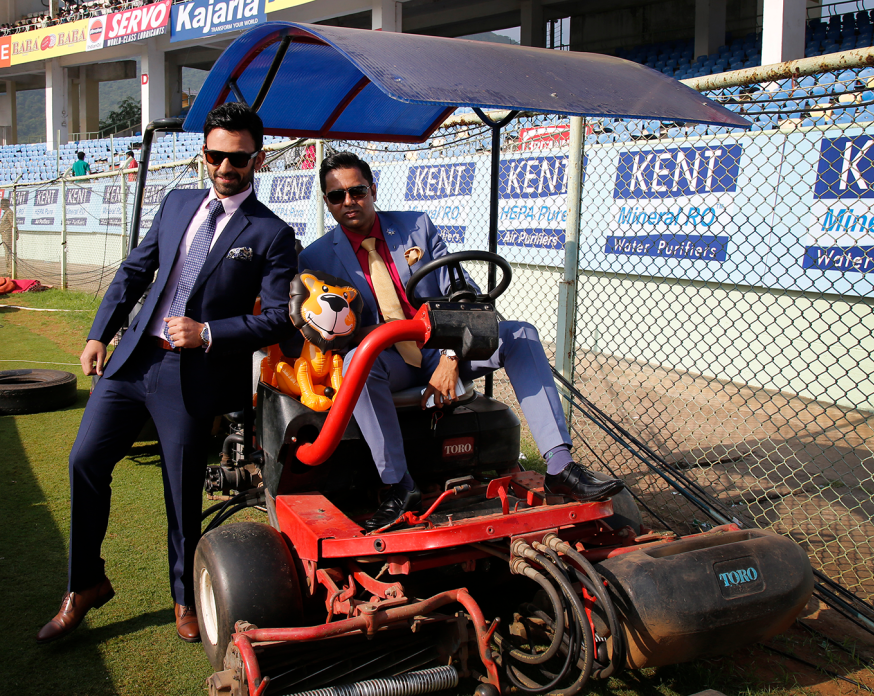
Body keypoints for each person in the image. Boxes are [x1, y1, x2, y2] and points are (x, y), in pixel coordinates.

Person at [37, 102, 298, 645]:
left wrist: (207, 332)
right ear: (202, 154)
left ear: (259, 159)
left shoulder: (273, 233)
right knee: (84, 460)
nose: (226, 167)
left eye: (239, 159)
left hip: (192, 373)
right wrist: (97, 334)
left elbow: (277, 317)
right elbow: (136, 269)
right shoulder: (178, 202)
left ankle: (183, 597)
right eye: (216, 155)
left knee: (179, 492)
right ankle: (83, 585)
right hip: (133, 361)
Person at [298, 152, 624, 531]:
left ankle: (560, 466)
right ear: (327, 201)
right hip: (387, 360)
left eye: (356, 191)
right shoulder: (315, 257)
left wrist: (451, 356)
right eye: (337, 196)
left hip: (443, 346)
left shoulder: (416, 227)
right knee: (358, 361)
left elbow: (462, 292)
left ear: (373, 189)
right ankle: (398, 486)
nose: (349, 202)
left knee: (521, 334)